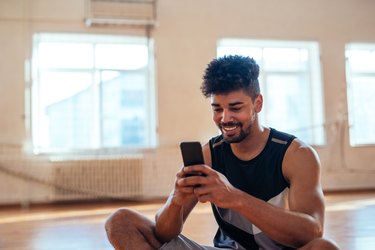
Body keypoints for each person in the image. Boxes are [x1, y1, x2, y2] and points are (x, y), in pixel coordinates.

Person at [105, 55, 340, 250]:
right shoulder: (209, 155)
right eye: (217, 109)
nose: (225, 119)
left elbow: (311, 232)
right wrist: (176, 201)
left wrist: (234, 197)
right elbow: (165, 234)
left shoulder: (296, 154)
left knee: (324, 248)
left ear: (257, 103)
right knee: (120, 222)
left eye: (235, 108)